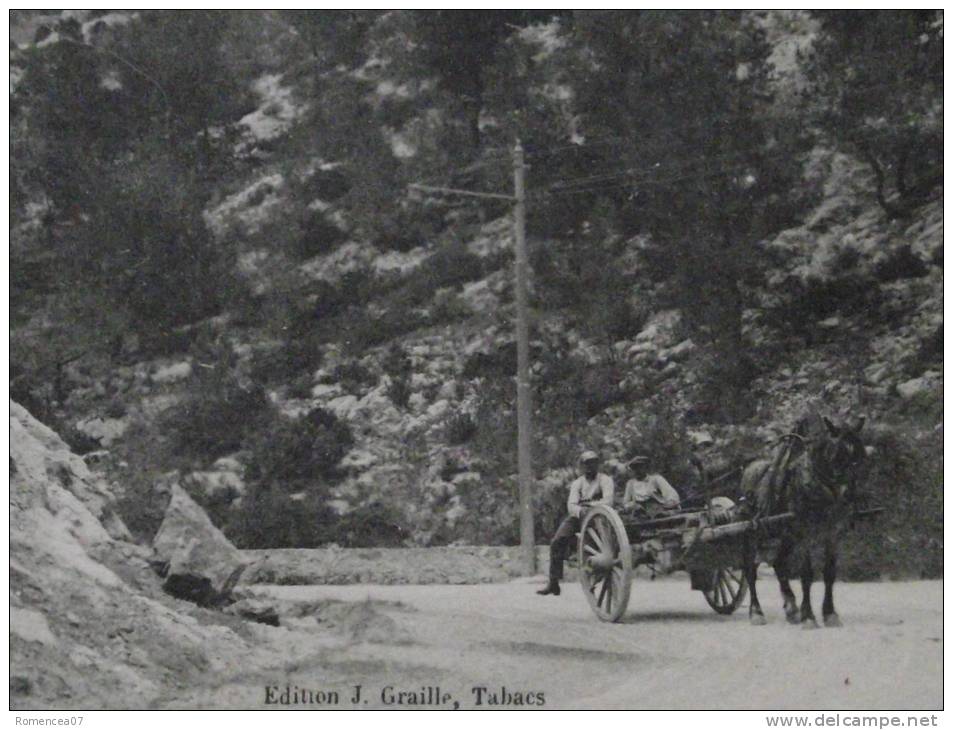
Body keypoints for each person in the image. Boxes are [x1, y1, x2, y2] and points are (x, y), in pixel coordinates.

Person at [537, 450, 615, 596]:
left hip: (599, 517)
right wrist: (581, 512)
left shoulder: (605, 480)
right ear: (582, 467)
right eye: (587, 464)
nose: (590, 467)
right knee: (557, 541)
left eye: (593, 463)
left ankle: (592, 574)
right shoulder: (577, 483)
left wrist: (591, 507)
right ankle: (553, 582)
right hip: (579, 516)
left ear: (597, 465)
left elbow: (608, 500)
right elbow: (571, 505)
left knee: (594, 547)